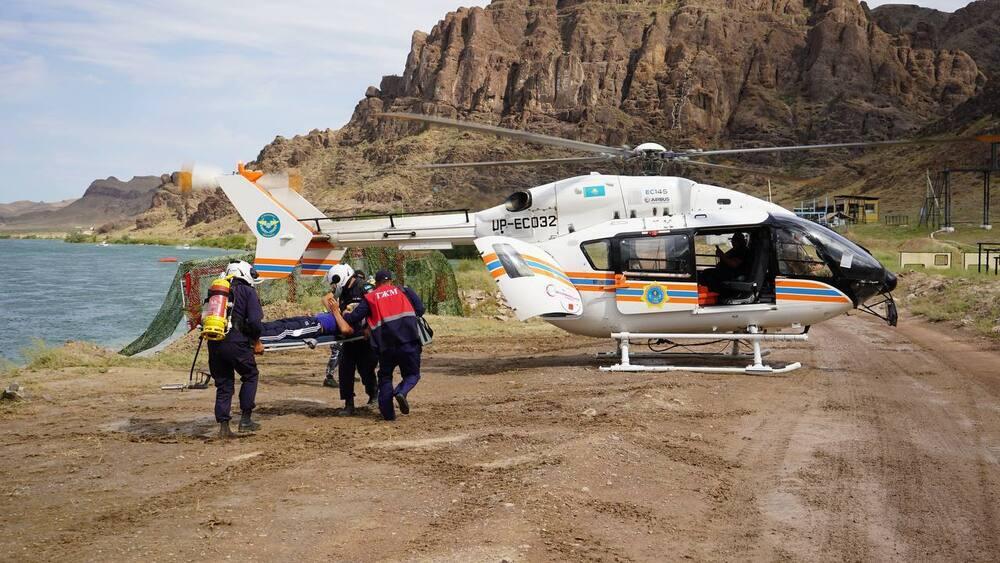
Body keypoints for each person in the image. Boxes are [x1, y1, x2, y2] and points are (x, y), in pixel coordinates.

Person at [331, 270, 425, 421]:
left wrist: (343, 314)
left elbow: (354, 317)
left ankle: (388, 415)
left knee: (385, 377)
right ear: (391, 281)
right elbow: (420, 310)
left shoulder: (371, 297)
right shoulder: (404, 291)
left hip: (386, 346)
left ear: (377, 282)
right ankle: (401, 391)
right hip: (409, 342)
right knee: (412, 374)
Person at [208, 260, 264, 438]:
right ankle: (246, 420)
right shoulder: (248, 291)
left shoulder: (217, 292)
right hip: (236, 342)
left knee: (224, 384)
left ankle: (224, 427)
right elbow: (255, 321)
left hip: (214, 341)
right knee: (250, 375)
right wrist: (256, 341)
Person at [324, 264, 378, 416]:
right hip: (348, 337)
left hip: (364, 337)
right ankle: (349, 404)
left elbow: (375, 308)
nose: (334, 286)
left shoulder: (365, 288)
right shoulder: (343, 291)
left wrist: (369, 328)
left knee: (366, 369)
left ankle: (374, 395)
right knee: (345, 370)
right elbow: (332, 303)